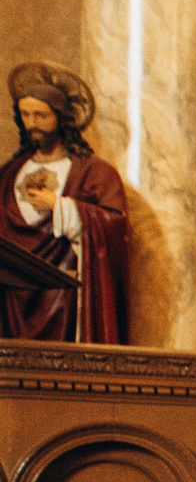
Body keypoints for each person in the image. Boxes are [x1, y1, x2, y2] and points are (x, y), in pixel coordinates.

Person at [4, 62, 129, 344]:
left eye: (41, 115)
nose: (32, 123)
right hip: (11, 303)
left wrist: (63, 209)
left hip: (65, 301)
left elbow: (115, 226)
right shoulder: (8, 174)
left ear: (61, 118)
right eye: (25, 114)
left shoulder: (96, 174)